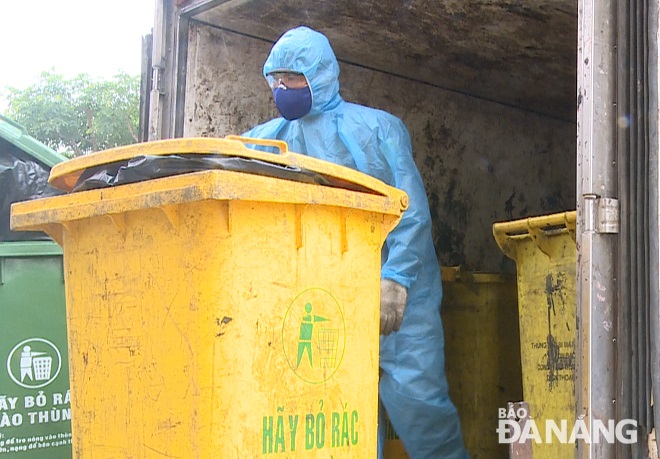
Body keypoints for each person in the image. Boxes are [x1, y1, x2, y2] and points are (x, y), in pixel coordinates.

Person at [243, 26, 469, 459]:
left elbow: (410, 210)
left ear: (320, 75)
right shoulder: (267, 139)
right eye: (275, 80)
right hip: (322, 298)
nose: (281, 89)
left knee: (420, 407)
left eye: (291, 78)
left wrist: (397, 280)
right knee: (340, 412)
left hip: (396, 296)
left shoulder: (376, 129)